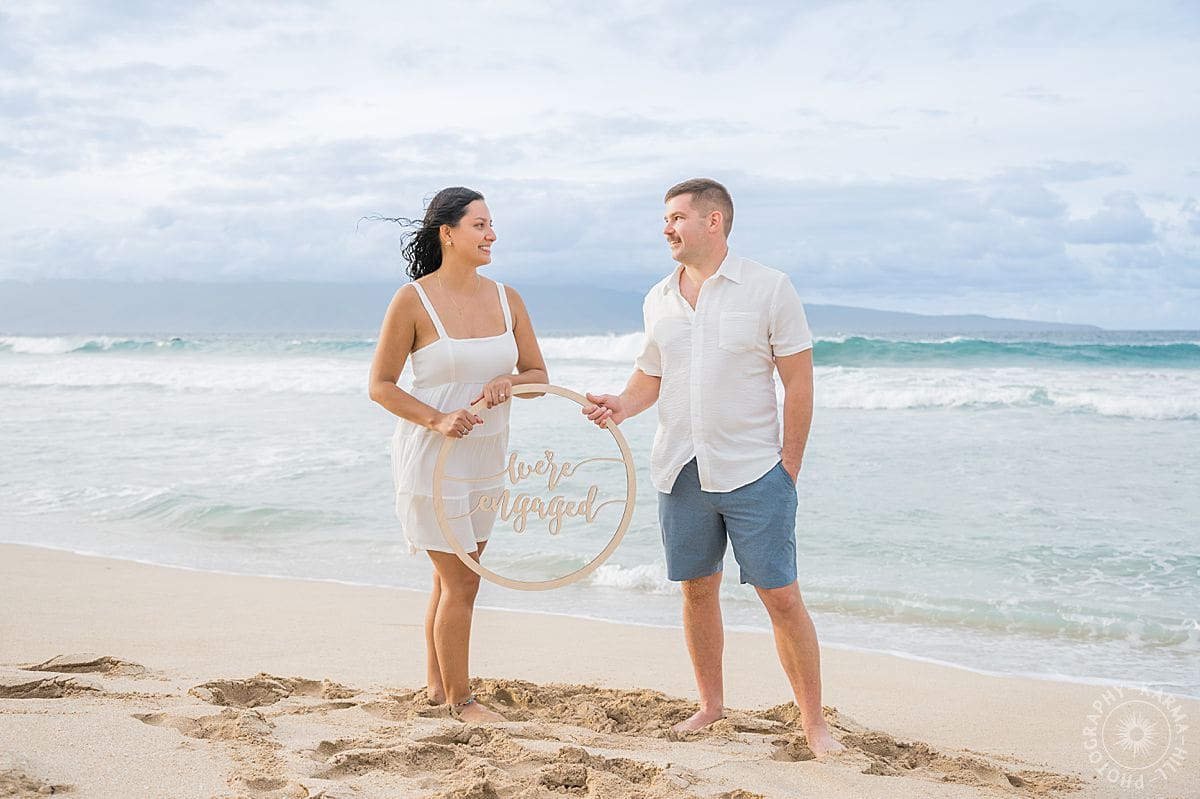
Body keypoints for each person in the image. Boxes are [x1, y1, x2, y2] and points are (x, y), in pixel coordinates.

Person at [582, 178, 843, 755]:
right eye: (665, 219)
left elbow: (799, 383)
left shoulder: (770, 288)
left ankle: (813, 724)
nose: (667, 229)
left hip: (756, 472)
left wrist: (789, 470)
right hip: (679, 469)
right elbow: (652, 372)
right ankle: (711, 705)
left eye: (677, 218)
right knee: (697, 591)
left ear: (714, 221)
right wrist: (622, 404)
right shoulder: (658, 298)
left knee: (781, 598)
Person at [369, 187, 548, 724]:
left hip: (487, 458)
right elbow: (381, 385)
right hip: (433, 456)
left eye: (491, 225)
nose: (492, 234)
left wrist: (509, 381)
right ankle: (460, 700)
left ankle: (435, 686)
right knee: (463, 580)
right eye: (480, 225)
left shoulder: (508, 299)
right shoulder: (412, 300)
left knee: (451, 580)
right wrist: (438, 418)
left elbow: (539, 378)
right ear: (447, 233)